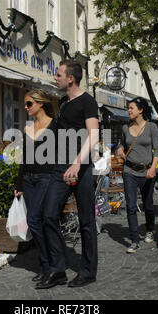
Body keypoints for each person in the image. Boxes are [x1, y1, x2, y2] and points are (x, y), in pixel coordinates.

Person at [38, 60, 99, 289]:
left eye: (59, 74)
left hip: (81, 168)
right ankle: (58, 270)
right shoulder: (63, 103)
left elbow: (93, 136)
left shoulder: (88, 102)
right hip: (60, 166)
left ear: (70, 78)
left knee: (86, 221)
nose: (56, 77)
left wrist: (76, 163)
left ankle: (88, 271)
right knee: (48, 214)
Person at [13, 89, 57, 285]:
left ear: (40, 103)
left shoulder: (56, 126)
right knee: (34, 222)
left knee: (36, 219)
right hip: (29, 180)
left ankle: (49, 266)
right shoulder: (27, 128)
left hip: (45, 178)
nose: (25, 107)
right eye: (25, 104)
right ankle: (45, 265)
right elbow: (24, 158)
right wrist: (19, 182)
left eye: (29, 103)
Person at [116, 97, 158, 253]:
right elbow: (121, 144)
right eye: (128, 108)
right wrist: (119, 149)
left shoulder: (151, 127)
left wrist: (153, 168)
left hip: (147, 171)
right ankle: (134, 240)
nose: (129, 110)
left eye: (131, 108)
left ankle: (150, 229)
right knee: (130, 206)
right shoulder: (124, 128)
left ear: (140, 110)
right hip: (129, 171)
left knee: (148, 205)